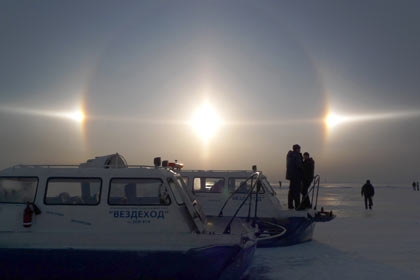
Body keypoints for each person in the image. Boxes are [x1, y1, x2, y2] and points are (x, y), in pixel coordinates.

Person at [286, 144, 303, 210]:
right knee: (297, 191)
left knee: (291, 190)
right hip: (296, 176)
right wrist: (303, 169)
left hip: (291, 176)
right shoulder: (296, 155)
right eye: (299, 149)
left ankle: (290, 205)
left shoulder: (289, 155)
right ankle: (297, 205)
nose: (299, 150)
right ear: (296, 149)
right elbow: (298, 165)